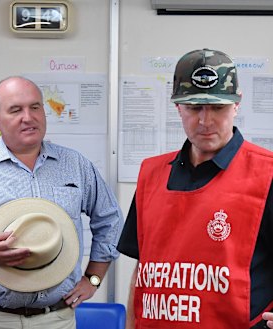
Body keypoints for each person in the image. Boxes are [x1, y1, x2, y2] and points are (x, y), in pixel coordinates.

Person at [0, 76, 124, 329]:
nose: (28, 117)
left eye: (35, 107)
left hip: (57, 319)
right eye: (16, 110)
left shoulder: (76, 165)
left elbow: (111, 219)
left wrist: (93, 279)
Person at [117, 49, 273, 329]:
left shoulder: (268, 173)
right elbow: (144, 267)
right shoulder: (151, 174)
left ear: (237, 104)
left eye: (217, 107)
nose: (205, 121)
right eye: (194, 107)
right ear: (177, 107)